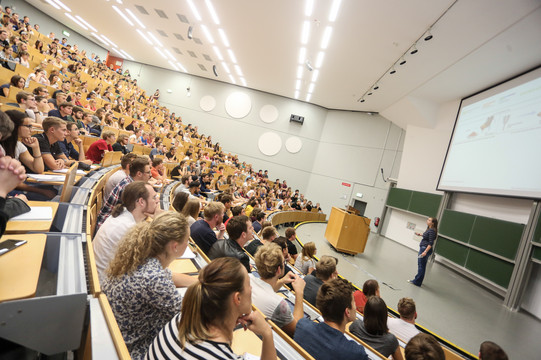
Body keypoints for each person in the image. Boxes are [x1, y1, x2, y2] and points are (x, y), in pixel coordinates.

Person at [146, 257, 276, 360]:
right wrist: (267, 334)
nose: (251, 289)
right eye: (249, 284)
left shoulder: (181, 319)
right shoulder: (222, 356)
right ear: (237, 298)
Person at [102, 211, 190, 360]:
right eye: (188, 239)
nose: (188, 243)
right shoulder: (154, 278)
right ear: (175, 246)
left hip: (120, 340)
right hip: (136, 351)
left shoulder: (143, 258)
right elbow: (191, 317)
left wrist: (204, 282)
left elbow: (171, 276)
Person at [93, 182, 159, 283]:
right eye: (154, 197)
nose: (158, 201)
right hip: (106, 288)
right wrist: (160, 220)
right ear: (141, 202)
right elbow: (155, 264)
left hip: (105, 279)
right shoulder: (128, 228)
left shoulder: (123, 214)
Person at [294, 278, 368, 360]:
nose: (355, 305)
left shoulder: (302, 327)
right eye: (353, 302)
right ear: (347, 312)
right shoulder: (356, 353)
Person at [251, 242, 305, 337]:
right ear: (279, 270)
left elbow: (265, 290)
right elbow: (296, 330)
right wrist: (299, 293)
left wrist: (281, 282)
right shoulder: (279, 304)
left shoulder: (248, 278)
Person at [96, 157, 151, 229]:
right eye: (148, 172)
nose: (150, 175)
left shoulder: (130, 182)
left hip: (114, 222)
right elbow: (136, 214)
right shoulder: (128, 188)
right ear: (139, 174)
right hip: (108, 225)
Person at [409, 217, 438, 287]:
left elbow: (431, 243)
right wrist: (421, 234)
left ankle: (417, 282)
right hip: (424, 248)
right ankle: (418, 280)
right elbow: (428, 237)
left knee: (421, 266)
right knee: (422, 266)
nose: (427, 221)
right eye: (428, 219)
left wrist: (425, 252)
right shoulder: (430, 229)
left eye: (429, 220)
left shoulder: (431, 231)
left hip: (424, 249)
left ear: (433, 223)